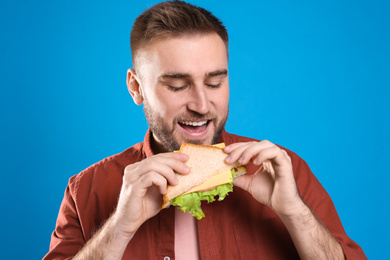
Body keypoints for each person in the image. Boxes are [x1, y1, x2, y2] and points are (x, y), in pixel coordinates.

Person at [44, 1, 367, 259]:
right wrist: (118, 230)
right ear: (136, 87)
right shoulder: (86, 189)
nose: (201, 104)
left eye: (215, 82)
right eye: (177, 85)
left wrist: (295, 212)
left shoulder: (284, 170)